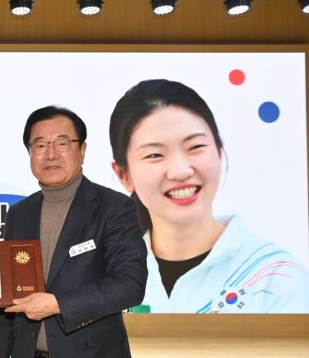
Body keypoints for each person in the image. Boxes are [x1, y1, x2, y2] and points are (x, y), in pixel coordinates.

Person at [0, 106, 147, 358]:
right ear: (30, 152)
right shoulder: (20, 214)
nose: (50, 154)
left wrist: (57, 303)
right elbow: (9, 290)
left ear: (82, 150)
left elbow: (130, 285)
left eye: (62, 143)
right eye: (40, 145)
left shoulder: (114, 208)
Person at [109, 79, 309, 313]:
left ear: (219, 152)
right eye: (154, 155)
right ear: (123, 174)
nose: (181, 171)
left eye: (195, 147)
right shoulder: (102, 275)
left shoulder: (277, 278)